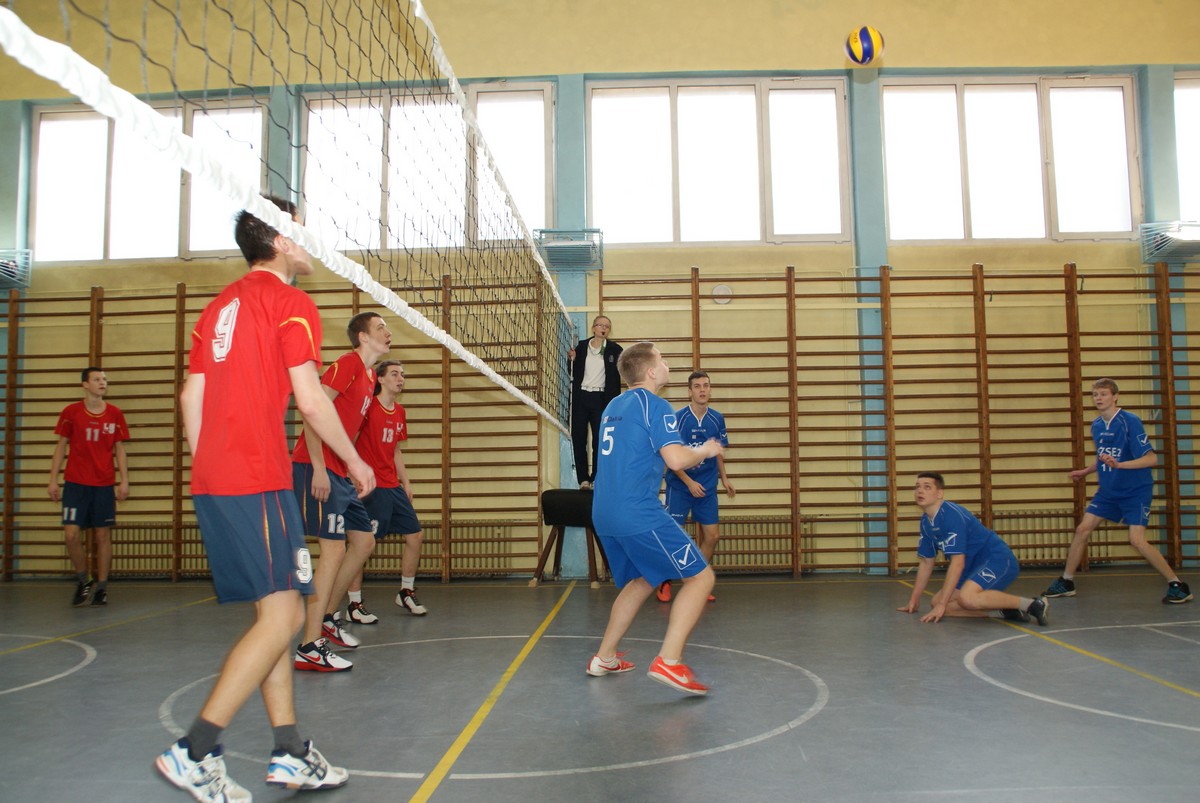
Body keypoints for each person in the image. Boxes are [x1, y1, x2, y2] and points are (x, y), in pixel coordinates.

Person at [157, 196, 375, 800]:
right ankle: (195, 751)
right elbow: (311, 400)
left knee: (275, 612)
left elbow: (190, 398)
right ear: (279, 240)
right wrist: (354, 459)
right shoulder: (290, 303)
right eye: (299, 229)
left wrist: (210, 463)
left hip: (218, 478)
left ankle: (289, 751)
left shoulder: (217, 307)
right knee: (283, 617)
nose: (308, 239)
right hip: (255, 475)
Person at [586, 341, 725, 696]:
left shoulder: (614, 405)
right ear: (650, 372)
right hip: (637, 511)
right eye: (662, 360)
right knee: (701, 578)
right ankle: (670, 661)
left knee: (643, 580)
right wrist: (706, 449)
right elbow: (675, 459)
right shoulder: (656, 405)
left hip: (604, 511)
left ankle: (604, 657)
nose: (667, 365)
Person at [292, 311, 393, 672]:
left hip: (339, 472)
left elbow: (345, 428)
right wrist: (319, 467)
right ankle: (309, 645)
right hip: (314, 466)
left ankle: (326, 618)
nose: (388, 332)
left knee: (364, 542)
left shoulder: (370, 377)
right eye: (380, 327)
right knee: (333, 550)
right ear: (363, 336)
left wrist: (351, 467)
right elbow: (312, 409)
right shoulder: (348, 364)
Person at [1043, 378, 1192, 604]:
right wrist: (1086, 471)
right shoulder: (1097, 425)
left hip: (1135, 490)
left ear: (1115, 396)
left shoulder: (1129, 421)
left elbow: (1151, 459)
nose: (1099, 398)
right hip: (1109, 491)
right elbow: (1105, 457)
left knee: (1137, 540)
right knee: (1082, 529)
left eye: (1103, 394)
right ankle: (1067, 581)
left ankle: (1177, 585)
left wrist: (1120, 465)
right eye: (1095, 395)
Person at [898, 472, 1049, 626]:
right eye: (917, 487)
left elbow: (958, 563)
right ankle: (1005, 610)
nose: (920, 491)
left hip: (996, 559)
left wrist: (942, 605)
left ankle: (1032, 604)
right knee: (936, 602)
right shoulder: (926, 522)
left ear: (939, 493)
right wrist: (914, 600)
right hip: (971, 566)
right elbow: (926, 562)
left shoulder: (952, 515)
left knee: (966, 598)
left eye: (927, 487)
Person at [340, 359, 427, 622]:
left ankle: (406, 591)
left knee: (415, 535)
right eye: (394, 374)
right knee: (362, 545)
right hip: (371, 487)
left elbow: (396, 450)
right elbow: (348, 441)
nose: (401, 379)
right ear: (380, 379)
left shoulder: (399, 411)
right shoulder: (368, 408)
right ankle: (354, 604)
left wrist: (406, 481)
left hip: (392, 486)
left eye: (402, 374)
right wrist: (352, 474)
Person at [48, 367, 130, 607]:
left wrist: (124, 480)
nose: (102, 382)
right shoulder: (71, 412)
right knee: (71, 534)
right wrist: (53, 479)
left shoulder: (114, 413)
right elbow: (61, 446)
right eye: (97, 379)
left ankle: (101, 588)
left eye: (104, 379)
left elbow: (120, 449)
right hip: (75, 484)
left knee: (102, 535)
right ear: (85, 384)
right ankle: (84, 579)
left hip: (103, 484)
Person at [659, 370, 735, 604]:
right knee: (674, 537)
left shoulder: (717, 419)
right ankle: (665, 581)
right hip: (681, 486)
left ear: (710, 390)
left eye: (706, 385)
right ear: (689, 391)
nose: (702, 390)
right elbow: (670, 457)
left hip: (707, 486)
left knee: (712, 536)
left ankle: (695, 581)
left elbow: (717, 451)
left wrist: (724, 478)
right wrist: (689, 482)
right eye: (697, 386)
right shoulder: (678, 419)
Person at [567, 315, 622, 489]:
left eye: (607, 326)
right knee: (579, 438)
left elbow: (620, 375)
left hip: (601, 400)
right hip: (581, 397)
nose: (603, 328)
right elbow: (572, 370)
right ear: (593, 328)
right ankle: (583, 479)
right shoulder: (582, 346)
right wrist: (571, 359)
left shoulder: (615, 350)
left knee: (600, 440)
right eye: (600, 325)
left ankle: (596, 478)